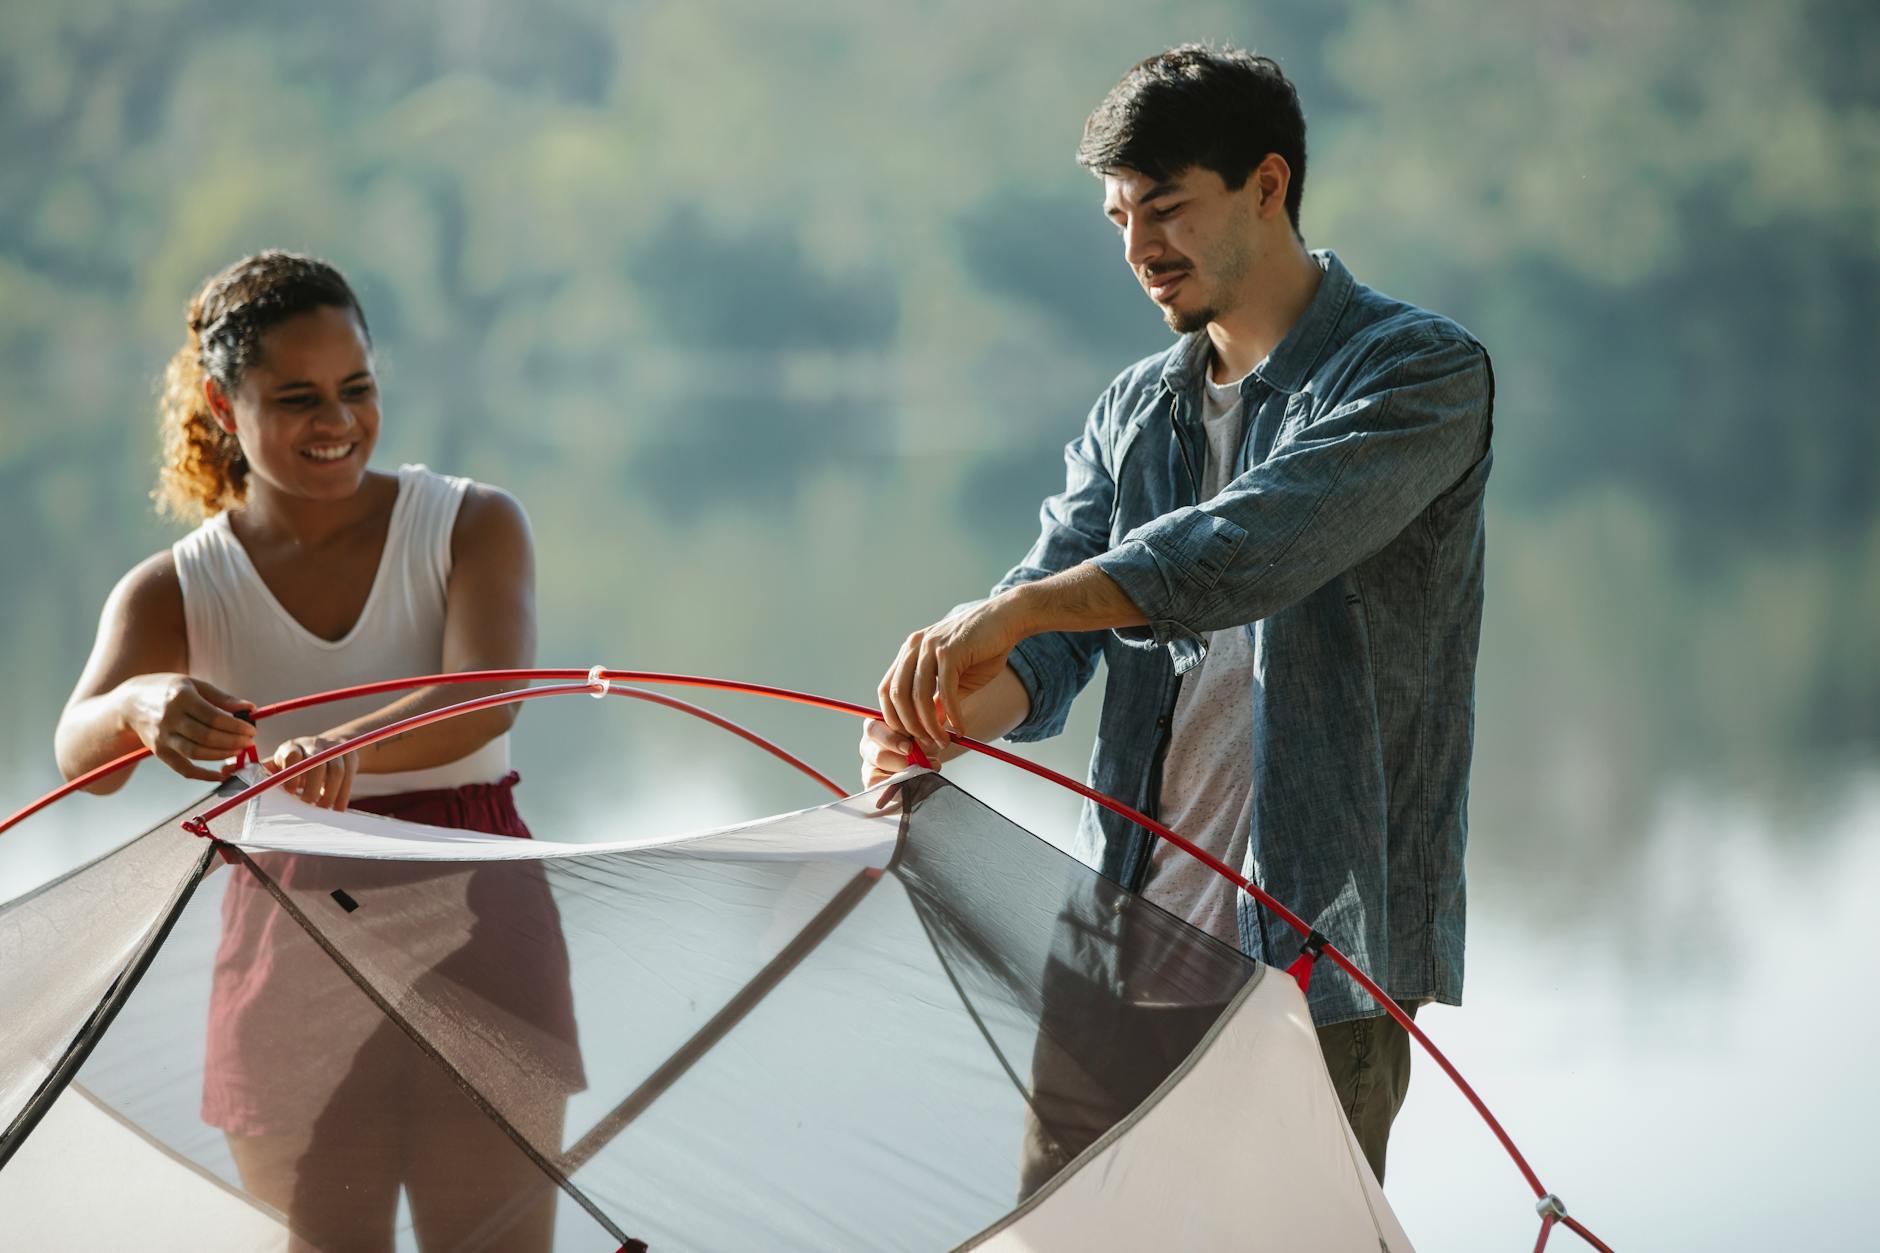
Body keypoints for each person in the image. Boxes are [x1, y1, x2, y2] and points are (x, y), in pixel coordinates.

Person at [863, 45, 1493, 1186]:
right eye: (1116, 217)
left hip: (1315, 964)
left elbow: (1244, 549)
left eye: (1164, 209)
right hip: (1119, 943)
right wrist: (946, 709)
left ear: (1266, 184)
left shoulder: (1417, 374)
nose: (1138, 249)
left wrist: (1007, 608)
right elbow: (1050, 641)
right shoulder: (1134, 406)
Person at [54, 251, 581, 1250]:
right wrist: (140, 702)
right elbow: (81, 754)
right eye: (296, 397)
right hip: (289, 935)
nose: (336, 421)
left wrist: (343, 739)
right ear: (221, 401)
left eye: (357, 388)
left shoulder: (470, 522)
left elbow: (491, 694)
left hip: (480, 918)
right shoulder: (175, 587)